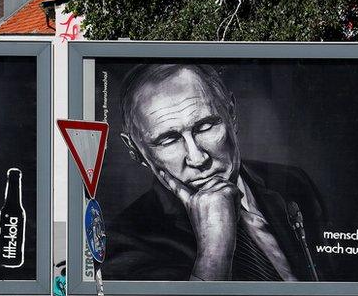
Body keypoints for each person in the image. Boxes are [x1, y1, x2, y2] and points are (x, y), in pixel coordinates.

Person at [105, 63, 330, 281]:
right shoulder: (125, 240)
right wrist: (214, 250)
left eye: (205, 126)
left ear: (231, 113)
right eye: (169, 140)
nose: (198, 158)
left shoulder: (293, 184)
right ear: (135, 151)